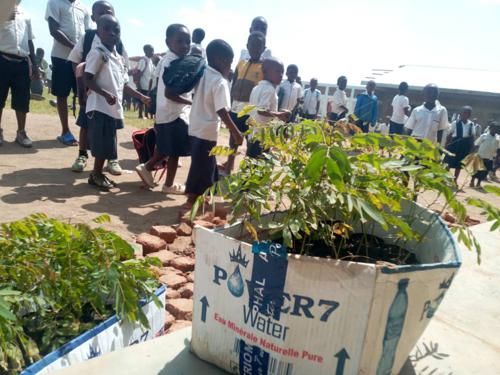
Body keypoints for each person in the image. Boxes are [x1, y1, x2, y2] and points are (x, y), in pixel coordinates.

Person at [83, 15, 149, 190]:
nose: (112, 33)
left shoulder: (118, 57)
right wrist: (104, 94)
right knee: (102, 143)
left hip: (112, 108)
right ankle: (96, 174)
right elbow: (87, 78)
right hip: (100, 106)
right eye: (107, 29)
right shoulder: (97, 53)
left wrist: (141, 97)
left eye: (116, 30)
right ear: (98, 31)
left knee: (108, 143)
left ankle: (97, 174)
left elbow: (124, 84)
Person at [68, 0, 127, 175]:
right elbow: (76, 63)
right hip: (91, 95)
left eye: (109, 11)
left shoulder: (118, 43)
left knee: (111, 128)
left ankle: (112, 159)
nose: (105, 15)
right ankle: (82, 154)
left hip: (111, 98)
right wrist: (82, 89)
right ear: (94, 17)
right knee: (85, 124)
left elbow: (123, 71)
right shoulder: (87, 38)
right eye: (100, 13)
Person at [185, 39, 243, 209]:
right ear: (220, 60)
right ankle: (191, 199)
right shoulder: (220, 81)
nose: (230, 67)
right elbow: (222, 110)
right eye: (229, 62)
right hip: (207, 130)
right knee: (200, 166)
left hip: (195, 126)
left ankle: (205, 195)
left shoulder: (202, 74)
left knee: (206, 163)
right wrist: (235, 132)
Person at [135, 24, 192, 195]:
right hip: (174, 114)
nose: (185, 45)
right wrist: (190, 103)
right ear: (168, 42)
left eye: (187, 42)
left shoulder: (167, 60)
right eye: (180, 41)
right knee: (174, 153)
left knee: (165, 148)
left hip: (165, 113)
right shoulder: (174, 63)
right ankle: (168, 184)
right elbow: (170, 94)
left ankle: (147, 168)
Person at [46, 0, 92, 146]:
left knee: (86, 94)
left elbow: (88, 33)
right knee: (62, 94)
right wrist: (75, 47)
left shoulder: (83, 8)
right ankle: (65, 131)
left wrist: (84, 53)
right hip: (62, 57)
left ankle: (87, 133)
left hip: (80, 60)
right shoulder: (54, 2)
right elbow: (53, 30)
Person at [223, 31, 266, 175]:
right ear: (247, 46)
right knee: (233, 140)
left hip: (250, 112)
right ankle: (229, 167)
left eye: (258, 46)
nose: (255, 49)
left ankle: (246, 173)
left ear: (263, 48)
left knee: (250, 141)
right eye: (252, 45)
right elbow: (234, 83)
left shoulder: (263, 68)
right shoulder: (241, 64)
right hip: (235, 109)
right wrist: (229, 104)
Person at [0, 2, 41, 148]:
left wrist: (35, 65)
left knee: (22, 100)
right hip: (2, 59)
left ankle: (21, 132)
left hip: (22, 62)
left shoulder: (26, 15)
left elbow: (29, 40)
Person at [247, 58, 290, 158]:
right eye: (277, 71)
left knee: (250, 163)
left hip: (252, 133)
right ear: (265, 72)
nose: (281, 75)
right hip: (261, 136)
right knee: (259, 164)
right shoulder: (270, 89)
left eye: (282, 72)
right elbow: (261, 110)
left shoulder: (256, 88)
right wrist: (278, 114)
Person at [444, 106, 475, 183]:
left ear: (470, 115)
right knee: (449, 163)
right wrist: (446, 146)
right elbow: (449, 135)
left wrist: (471, 149)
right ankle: (445, 179)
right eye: (464, 112)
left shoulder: (471, 124)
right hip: (454, 145)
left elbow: (472, 137)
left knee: (459, 165)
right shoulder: (455, 123)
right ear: (461, 113)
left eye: (468, 113)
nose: (466, 114)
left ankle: (455, 180)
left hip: (464, 146)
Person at [470, 123, 500, 188]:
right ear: (490, 128)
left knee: (484, 172)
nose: (494, 130)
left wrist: (497, 157)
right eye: (492, 128)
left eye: (495, 129)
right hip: (480, 155)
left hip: (490, 157)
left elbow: (498, 148)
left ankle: (478, 183)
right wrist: (471, 152)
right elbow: (477, 144)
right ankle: (472, 181)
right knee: (476, 170)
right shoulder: (484, 135)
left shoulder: (498, 138)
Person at [136, 44, 154, 119]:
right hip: (142, 85)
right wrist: (139, 87)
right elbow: (138, 74)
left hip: (148, 86)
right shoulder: (143, 61)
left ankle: (146, 115)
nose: (153, 52)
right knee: (141, 101)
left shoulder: (151, 62)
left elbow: (151, 76)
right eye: (151, 50)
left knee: (147, 101)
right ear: (146, 51)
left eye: (153, 50)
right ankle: (140, 115)